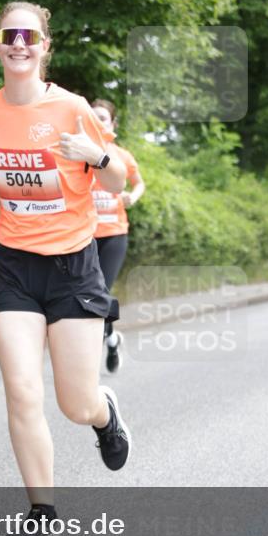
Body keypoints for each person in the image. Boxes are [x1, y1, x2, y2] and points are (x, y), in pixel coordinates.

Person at [0, 1, 130, 536]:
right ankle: (42, 509)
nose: (20, 43)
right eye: (10, 34)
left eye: (30, 35)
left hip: (74, 266)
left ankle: (104, 414)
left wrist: (96, 158)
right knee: (22, 392)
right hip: (15, 268)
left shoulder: (74, 109)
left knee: (74, 402)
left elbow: (116, 182)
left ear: (45, 47)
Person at [90, 99, 146, 373]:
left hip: (113, 234)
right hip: (82, 235)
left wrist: (132, 197)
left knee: (101, 291)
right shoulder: (78, 153)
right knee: (88, 293)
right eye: (92, 116)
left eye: (102, 117)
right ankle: (111, 339)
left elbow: (139, 183)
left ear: (112, 124)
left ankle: (103, 337)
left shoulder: (121, 155)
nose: (97, 121)